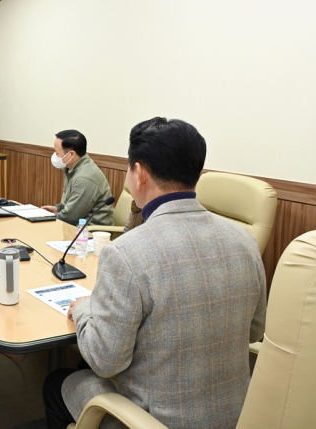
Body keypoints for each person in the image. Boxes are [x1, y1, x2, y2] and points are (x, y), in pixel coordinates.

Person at [43, 117, 266, 429]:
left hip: (152, 419)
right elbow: (255, 332)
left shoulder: (126, 253)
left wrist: (84, 310)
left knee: (57, 383)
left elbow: (105, 361)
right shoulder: (245, 241)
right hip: (234, 416)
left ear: (140, 173)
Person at [41, 130, 114, 226]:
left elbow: (70, 217)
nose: (55, 156)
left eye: (57, 153)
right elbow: (71, 206)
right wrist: (58, 209)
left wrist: (43, 220)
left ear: (71, 154)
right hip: (76, 228)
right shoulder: (72, 168)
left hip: (90, 234)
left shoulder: (85, 178)